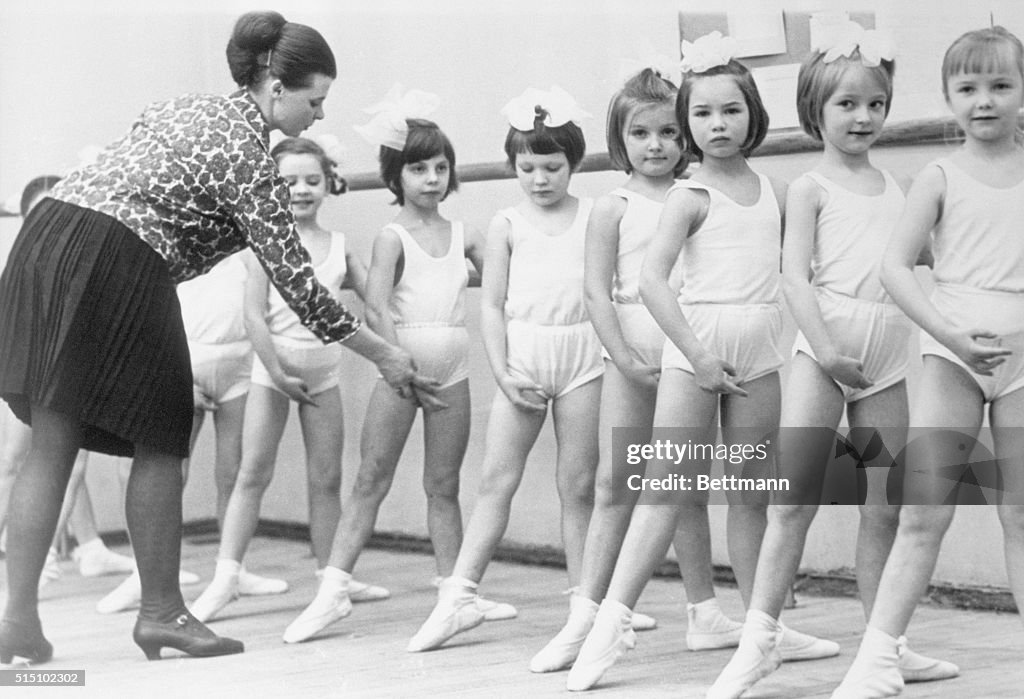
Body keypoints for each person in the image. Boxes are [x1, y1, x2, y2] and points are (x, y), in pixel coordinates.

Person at [0, 10, 432, 665]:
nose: (318, 115)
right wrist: (382, 352)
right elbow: (295, 277)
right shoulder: (250, 156)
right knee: (162, 436)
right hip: (118, 254)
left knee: (51, 442)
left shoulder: (186, 105)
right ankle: (162, 612)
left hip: (49, 234)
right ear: (274, 85)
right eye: (314, 100)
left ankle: (19, 620)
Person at [567, 32, 832, 692]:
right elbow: (653, 282)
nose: (718, 124)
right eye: (705, 113)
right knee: (661, 490)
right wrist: (697, 356)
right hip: (699, 358)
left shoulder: (775, 191)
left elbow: (793, 272)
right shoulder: (687, 196)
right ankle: (610, 626)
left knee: (750, 495)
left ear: (753, 115)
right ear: (688, 123)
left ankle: (762, 624)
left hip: (760, 358)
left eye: (732, 110)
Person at [707, 22, 957, 699]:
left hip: (885, 361)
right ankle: (758, 642)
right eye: (847, 104)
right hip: (826, 354)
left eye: (876, 103)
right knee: (792, 502)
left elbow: (925, 255)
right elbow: (795, 278)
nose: (864, 116)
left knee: (884, 504)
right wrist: (825, 349)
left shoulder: (900, 184)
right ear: (815, 110)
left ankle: (885, 645)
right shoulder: (811, 188)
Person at [282, 90, 516, 643]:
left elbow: (508, 288)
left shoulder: (466, 235)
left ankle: (457, 593)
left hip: (454, 371)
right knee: (370, 477)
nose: (432, 178)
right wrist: (398, 365)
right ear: (396, 176)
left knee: (443, 483)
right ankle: (333, 590)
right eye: (418, 168)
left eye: (440, 167)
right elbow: (376, 304)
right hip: (402, 371)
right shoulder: (393, 236)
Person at [832, 26, 1024, 698]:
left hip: (1023, 364)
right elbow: (894, 266)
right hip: (954, 358)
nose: (984, 100)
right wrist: (952, 333)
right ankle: (878, 656)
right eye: (967, 87)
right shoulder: (941, 176)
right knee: (924, 510)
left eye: (1000, 85)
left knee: (1022, 513)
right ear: (947, 95)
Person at [406, 86, 603, 653]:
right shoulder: (507, 222)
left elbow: (602, 292)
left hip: (582, 357)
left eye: (552, 167)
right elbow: (490, 304)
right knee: (497, 481)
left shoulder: (594, 216)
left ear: (574, 163)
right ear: (513, 167)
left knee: (579, 485)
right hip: (523, 356)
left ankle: (584, 602)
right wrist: (503, 370)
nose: (539, 179)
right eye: (527, 167)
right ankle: (458, 598)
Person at [189, 136, 390, 623]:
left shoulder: (340, 247)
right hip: (271, 372)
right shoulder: (265, 244)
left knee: (327, 478)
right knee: (251, 473)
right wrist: (275, 371)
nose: (301, 190)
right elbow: (254, 316)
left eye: (311, 181)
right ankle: (226, 577)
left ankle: (331, 576)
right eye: (289, 181)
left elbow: (378, 303)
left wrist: (397, 350)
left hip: (324, 375)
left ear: (328, 184)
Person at [530, 67, 688, 673]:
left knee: (681, 486)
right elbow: (597, 293)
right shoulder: (612, 207)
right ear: (620, 139)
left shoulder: (694, 196)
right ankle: (584, 615)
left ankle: (706, 610)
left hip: (684, 351)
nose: (657, 145)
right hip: (628, 353)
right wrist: (623, 358)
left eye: (670, 131)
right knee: (613, 484)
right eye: (642, 132)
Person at [0, 176, 136, 588]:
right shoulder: (23, 266)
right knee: (20, 461)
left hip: (69, 373)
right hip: (31, 376)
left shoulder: (87, 259)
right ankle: (34, 558)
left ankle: (87, 546)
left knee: (69, 462)